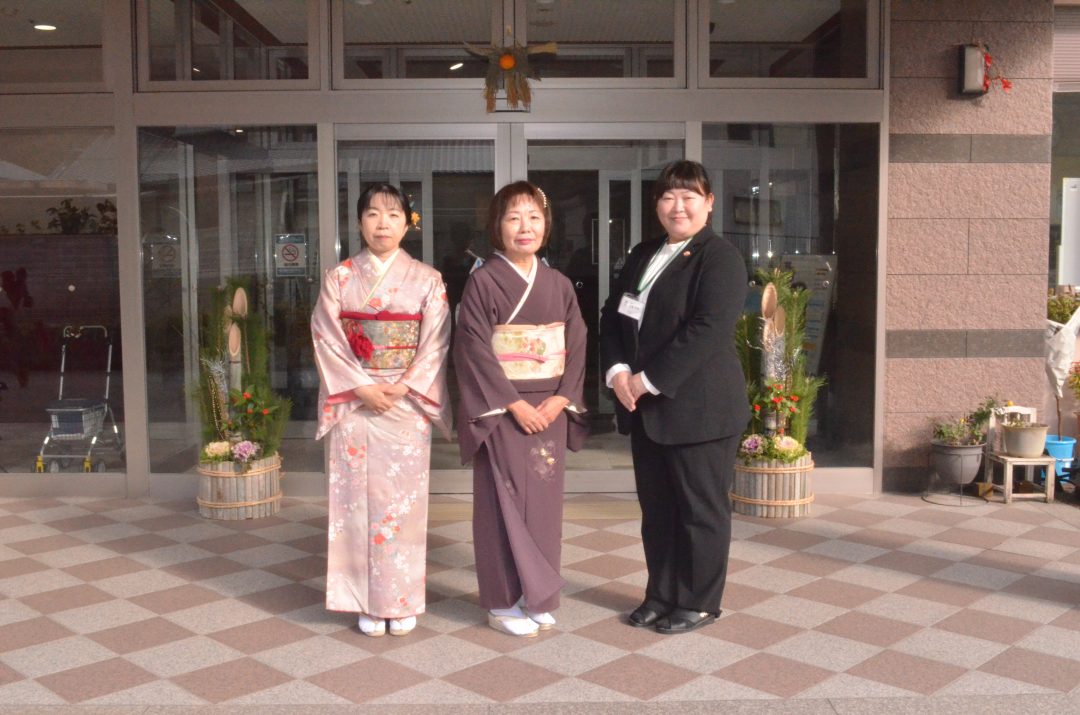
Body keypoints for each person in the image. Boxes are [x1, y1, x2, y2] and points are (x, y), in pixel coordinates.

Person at [599, 160, 749, 634]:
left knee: (700, 512)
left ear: (709, 203)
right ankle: (661, 594)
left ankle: (698, 601)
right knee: (659, 512)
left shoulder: (719, 258)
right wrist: (618, 372)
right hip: (646, 409)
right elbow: (612, 315)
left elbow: (707, 331)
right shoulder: (644, 253)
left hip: (700, 409)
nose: (677, 206)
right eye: (668, 197)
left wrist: (645, 381)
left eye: (689, 196)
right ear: (656, 204)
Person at [311, 183, 451, 637]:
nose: (382, 223)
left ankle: (400, 599)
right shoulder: (339, 277)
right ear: (359, 222)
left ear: (408, 224)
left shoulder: (427, 279)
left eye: (393, 215)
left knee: (402, 506)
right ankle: (363, 601)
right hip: (355, 401)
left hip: (406, 403)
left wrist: (405, 385)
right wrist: (362, 386)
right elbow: (326, 335)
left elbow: (437, 342)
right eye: (372, 214)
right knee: (353, 503)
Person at [454, 180, 587, 637]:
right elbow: (473, 346)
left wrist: (562, 398)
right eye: (513, 217)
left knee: (545, 506)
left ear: (546, 225)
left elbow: (577, 342)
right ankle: (501, 602)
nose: (524, 226)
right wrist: (511, 402)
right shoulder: (483, 281)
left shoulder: (559, 284)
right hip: (502, 410)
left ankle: (539, 597)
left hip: (549, 409)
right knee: (500, 505)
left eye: (533, 217)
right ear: (498, 226)